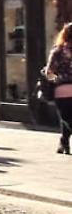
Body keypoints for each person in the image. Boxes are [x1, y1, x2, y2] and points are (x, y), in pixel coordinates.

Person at [45, 23, 72, 154]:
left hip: (62, 91)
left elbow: (49, 73)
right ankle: (64, 142)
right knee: (67, 118)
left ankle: (64, 143)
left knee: (66, 118)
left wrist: (58, 80)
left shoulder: (57, 51)